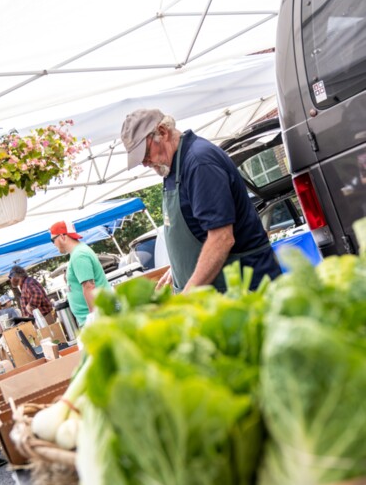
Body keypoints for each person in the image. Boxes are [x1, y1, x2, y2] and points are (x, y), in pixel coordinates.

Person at [120, 108, 282, 293]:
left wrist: (189, 294)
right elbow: (197, 233)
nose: (145, 162)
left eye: (145, 152)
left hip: (246, 289)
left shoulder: (199, 163)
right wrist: (178, 268)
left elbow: (221, 238)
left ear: (163, 132)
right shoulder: (172, 168)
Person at [49, 221, 111, 327]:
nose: (53, 244)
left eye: (52, 240)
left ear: (63, 236)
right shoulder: (78, 252)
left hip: (97, 320)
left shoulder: (79, 255)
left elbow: (89, 287)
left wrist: (94, 319)